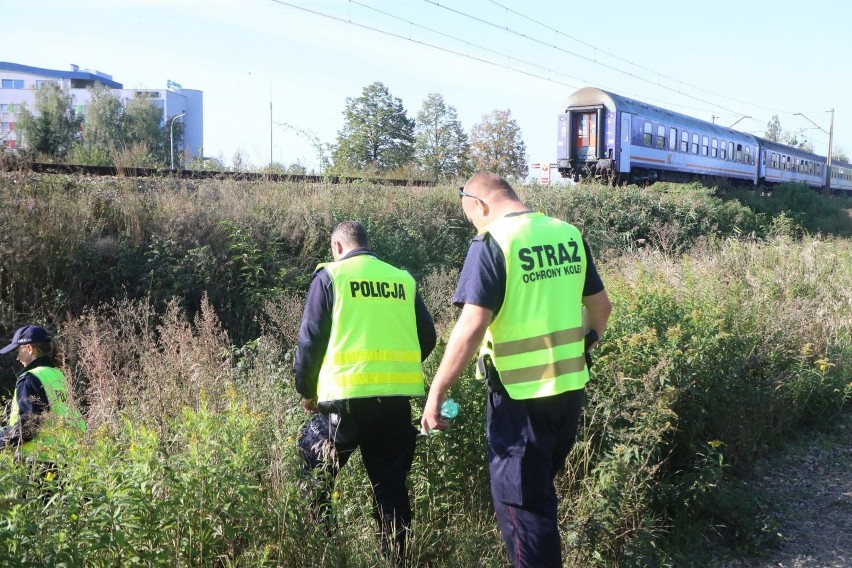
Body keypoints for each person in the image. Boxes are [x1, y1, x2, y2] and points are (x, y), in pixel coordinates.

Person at [421, 172, 612, 568]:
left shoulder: (494, 242)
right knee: (539, 497)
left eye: (470, 216)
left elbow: (472, 326)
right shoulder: (566, 234)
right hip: (569, 393)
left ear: (481, 204)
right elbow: (601, 309)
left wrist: (436, 392)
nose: (473, 224)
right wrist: (584, 344)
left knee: (524, 511)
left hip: (520, 401)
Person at [295, 221, 436, 567]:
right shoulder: (401, 280)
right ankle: (396, 559)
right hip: (395, 402)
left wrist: (307, 391)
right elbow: (428, 337)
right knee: (390, 487)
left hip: (344, 401)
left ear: (338, 247)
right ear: (367, 245)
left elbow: (310, 341)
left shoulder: (331, 276)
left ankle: (324, 551)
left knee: (314, 472)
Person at [0, 325, 85, 463]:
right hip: (67, 458)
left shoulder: (29, 379)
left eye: (17, 351)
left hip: (37, 460)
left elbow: (31, 425)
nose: (17, 358)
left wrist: (3, 440)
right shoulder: (58, 375)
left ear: (29, 348)